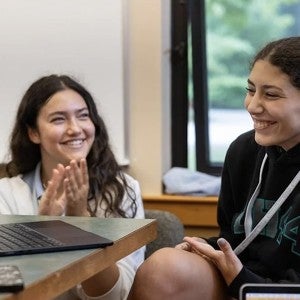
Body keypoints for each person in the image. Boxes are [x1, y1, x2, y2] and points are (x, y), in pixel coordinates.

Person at [127, 36, 300, 300]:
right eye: (251, 89)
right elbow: (234, 238)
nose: (252, 106)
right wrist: (203, 249)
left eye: (271, 94)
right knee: (164, 267)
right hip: (242, 279)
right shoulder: (244, 150)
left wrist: (241, 279)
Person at [0, 74, 145, 300]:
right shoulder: (6, 193)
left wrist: (82, 222)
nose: (75, 129)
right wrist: (41, 232)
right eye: (59, 119)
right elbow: (7, 288)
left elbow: (117, 295)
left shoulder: (122, 189)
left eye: (83, 116)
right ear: (33, 133)